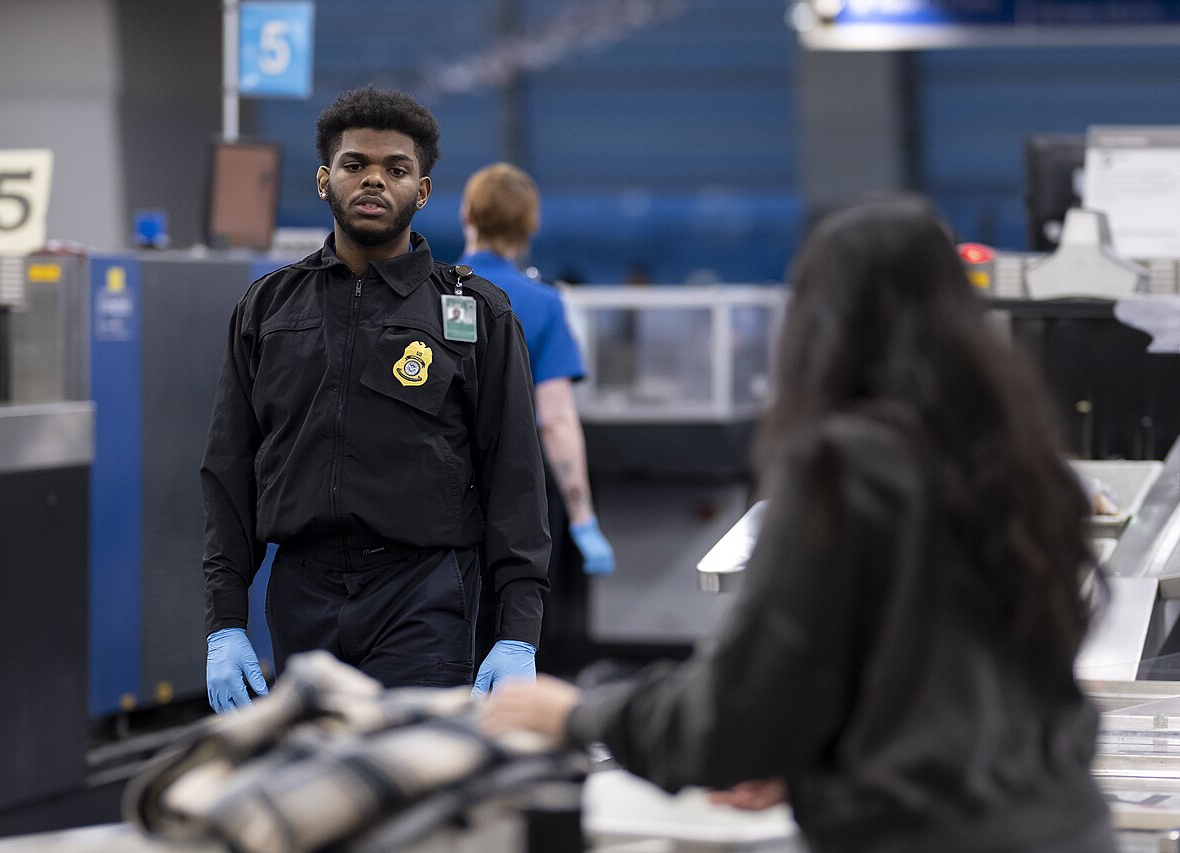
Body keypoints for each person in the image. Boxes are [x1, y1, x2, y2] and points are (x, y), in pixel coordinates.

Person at [484, 197, 1116, 852]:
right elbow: (937, 688)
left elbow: (740, 705)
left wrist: (578, 713)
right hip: (1070, 825)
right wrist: (810, 766)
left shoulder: (841, 465)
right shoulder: (1017, 457)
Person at [201, 86, 550, 713]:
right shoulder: (268, 308)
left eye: (396, 169)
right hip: (302, 593)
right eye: (355, 164)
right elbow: (230, 468)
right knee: (315, 768)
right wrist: (225, 621)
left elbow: (515, 475)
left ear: (422, 191)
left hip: (423, 595)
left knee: (410, 765)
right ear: (323, 180)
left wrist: (518, 630)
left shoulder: (473, 313)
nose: (373, 180)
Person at [459, 163, 614, 674]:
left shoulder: (434, 292)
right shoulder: (544, 303)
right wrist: (583, 518)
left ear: (466, 214)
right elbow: (556, 420)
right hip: (520, 496)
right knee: (516, 636)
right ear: (531, 227)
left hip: (444, 492)